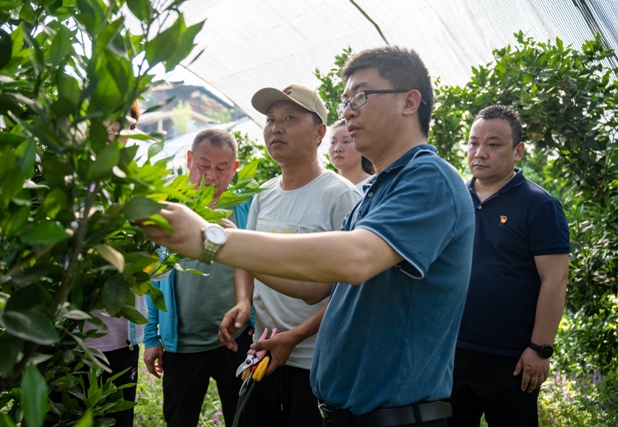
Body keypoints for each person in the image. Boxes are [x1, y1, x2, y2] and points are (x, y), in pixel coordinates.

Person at [140, 46, 475, 427]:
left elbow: (357, 259)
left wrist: (212, 240)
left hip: (395, 417)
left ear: (409, 102)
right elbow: (314, 288)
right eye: (346, 100)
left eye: (361, 96)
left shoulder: (429, 178)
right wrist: (233, 262)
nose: (349, 111)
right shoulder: (374, 195)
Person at [219, 84, 361, 427]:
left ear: (319, 132)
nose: (276, 128)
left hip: (315, 361)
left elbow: (351, 289)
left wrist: (296, 336)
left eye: (289, 118)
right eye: (270, 120)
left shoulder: (339, 196)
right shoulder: (264, 195)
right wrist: (243, 302)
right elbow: (247, 258)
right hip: (264, 352)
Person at [448, 105, 570, 427]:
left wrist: (539, 349)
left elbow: (555, 280)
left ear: (518, 151)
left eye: (494, 144)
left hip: (511, 360)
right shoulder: (454, 199)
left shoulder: (540, 206)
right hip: (452, 352)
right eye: (474, 142)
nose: (480, 152)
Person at [143, 129, 252, 427]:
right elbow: (152, 277)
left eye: (222, 168)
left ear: (235, 168)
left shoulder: (247, 206)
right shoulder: (168, 208)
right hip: (182, 345)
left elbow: (261, 266)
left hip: (237, 338)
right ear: (190, 159)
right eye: (204, 165)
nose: (212, 176)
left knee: (244, 418)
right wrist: (151, 337)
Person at [84, 100, 145, 427]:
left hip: (121, 339)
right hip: (69, 337)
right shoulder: (68, 181)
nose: (116, 133)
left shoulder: (138, 188)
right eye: (108, 123)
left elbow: (155, 271)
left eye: (126, 126)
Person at [328, 119, 374, 192]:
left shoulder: (375, 187)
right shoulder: (324, 188)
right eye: (333, 142)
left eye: (346, 142)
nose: (337, 148)